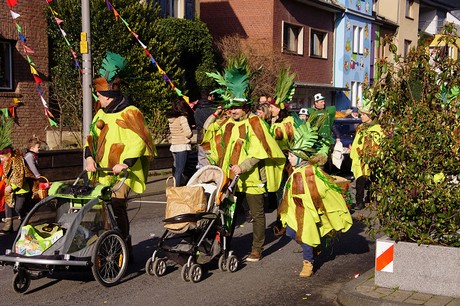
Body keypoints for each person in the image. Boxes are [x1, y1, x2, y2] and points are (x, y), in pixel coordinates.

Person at [206, 65, 285, 262]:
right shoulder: (228, 124)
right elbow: (209, 135)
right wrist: (217, 117)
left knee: (257, 214)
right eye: (230, 107)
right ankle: (223, 247)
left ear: (246, 108)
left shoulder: (255, 123)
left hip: (251, 178)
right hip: (231, 178)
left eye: (236, 108)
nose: (232, 111)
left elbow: (261, 151)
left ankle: (257, 249)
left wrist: (243, 166)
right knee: (228, 214)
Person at [85, 71, 155, 260]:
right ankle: (107, 244)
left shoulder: (130, 112)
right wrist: (89, 157)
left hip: (123, 171)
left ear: (108, 96)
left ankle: (124, 246)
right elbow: (91, 137)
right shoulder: (101, 113)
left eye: (99, 95)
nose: (97, 98)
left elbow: (140, 140)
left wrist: (125, 162)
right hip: (102, 171)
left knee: (116, 205)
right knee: (99, 208)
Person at [278, 122, 353, 277]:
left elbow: (324, 189)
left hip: (308, 212)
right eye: (289, 156)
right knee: (291, 232)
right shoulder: (296, 171)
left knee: (306, 234)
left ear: (300, 158)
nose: (289, 159)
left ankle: (308, 262)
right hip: (295, 210)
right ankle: (312, 247)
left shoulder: (310, 172)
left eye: (291, 156)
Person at [349, 99, 382, 210]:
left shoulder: (378, 129)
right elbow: (356, 143)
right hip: (360, 160)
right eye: (361, 114)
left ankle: (374, 200)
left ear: (370, 116)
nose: (361, 116)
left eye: (363, 114)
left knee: (374, 181)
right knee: (359, 182)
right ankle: (359, 202)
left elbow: (379, 145)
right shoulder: (361, 128)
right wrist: (354, 155)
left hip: (373, 160)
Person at [0, 146, 34, 235]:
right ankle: (8, 226)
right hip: (10, 188)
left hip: (21, 189)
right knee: (8, 205)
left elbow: (20, 176)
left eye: (3, 157)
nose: (1, 159)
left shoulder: (18, 161)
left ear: (9, 155)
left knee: (18, 208)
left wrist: (12, 186)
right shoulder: (7, 162)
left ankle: (24, 220)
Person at [167, 99, 193, 186]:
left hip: (174, 145)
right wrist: (191, 133)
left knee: (176, 168)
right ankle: (177, 188)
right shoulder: (182, 118)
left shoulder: (171, 119)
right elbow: (188, 133)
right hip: (182, 146)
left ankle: (177, 185)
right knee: (180, 169)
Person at [194, 89, 217, 168]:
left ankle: (202, 176)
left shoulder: (197, 109)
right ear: (209, 97)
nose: (214, 98)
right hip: (210, 138)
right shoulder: (213, 110)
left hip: (200, 137)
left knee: (202, 159)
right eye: (213, 96)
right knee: (210, 160)